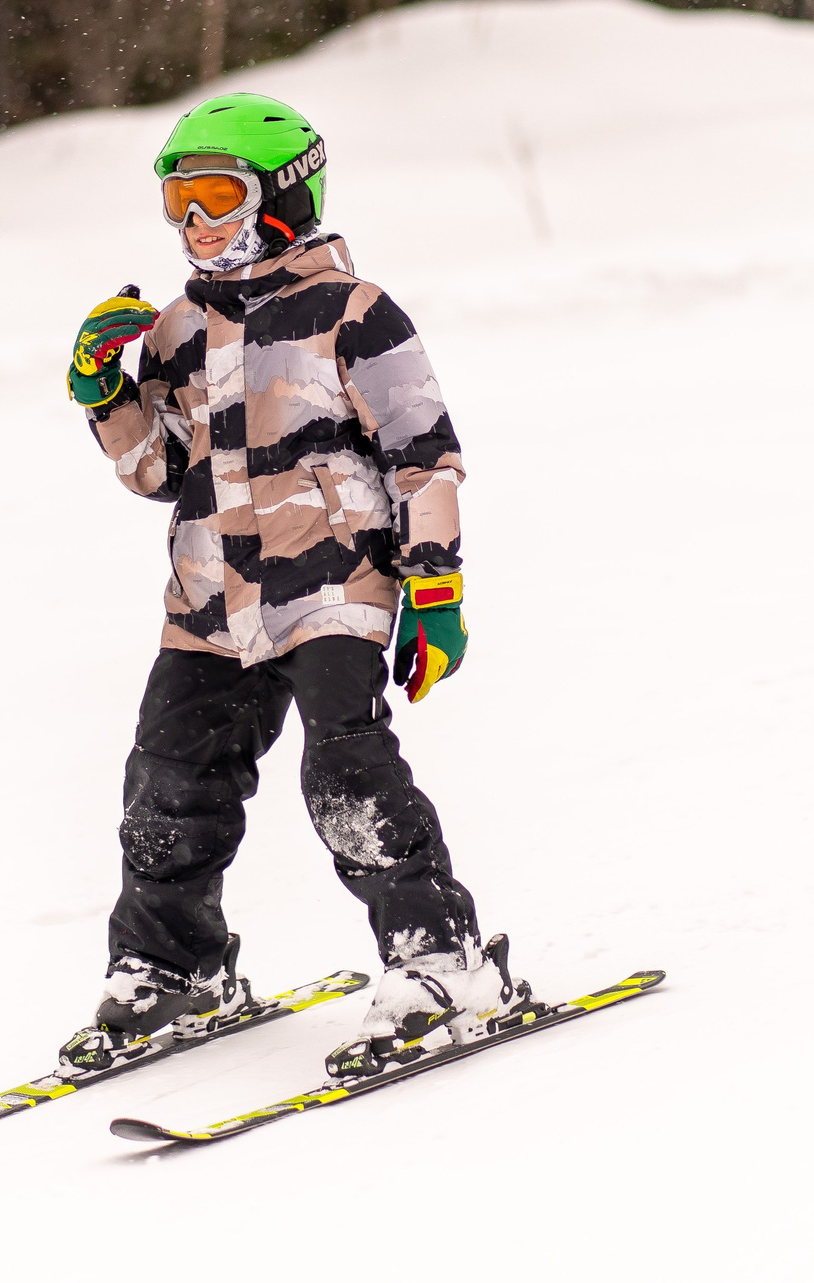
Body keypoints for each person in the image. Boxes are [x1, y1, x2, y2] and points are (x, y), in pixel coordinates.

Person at [56, 93, 526, 1082]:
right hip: (209, 596)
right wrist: (107, 396)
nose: (194, 223)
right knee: (167, 785)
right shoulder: (178, 327)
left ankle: (441, 960)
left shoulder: (355, 313)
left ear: (281, 195)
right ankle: (171, 968)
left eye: (215, 196)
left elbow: (423, 456)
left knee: (347, 775)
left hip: (332, 579)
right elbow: (158, 471)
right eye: (177, 202)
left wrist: (433, 585)